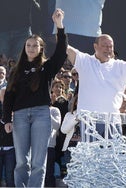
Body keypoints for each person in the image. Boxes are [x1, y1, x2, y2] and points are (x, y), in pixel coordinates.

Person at [1, 9, 67, 187]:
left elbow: (61, 52)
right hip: (20, 116)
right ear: (24, 48)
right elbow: (8, 96)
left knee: (39, 162)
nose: (31, 48)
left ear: (41, 49)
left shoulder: (47, 67)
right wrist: (7, 118)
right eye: (28, 45)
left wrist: (59, 26)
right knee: (22, 161)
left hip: (41, 115)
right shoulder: (16, 70)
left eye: (35, 46)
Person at [66, 34, 126, 138]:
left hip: (113, 122)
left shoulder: (119, 66)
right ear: (95, 46)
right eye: (105, 46)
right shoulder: (85, 61)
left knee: (112, 154)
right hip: (89, 122)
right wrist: (59, 25)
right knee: (92, 154)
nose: (108, 49)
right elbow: (65, 47)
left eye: (111, 46)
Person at [45, 105, 61, 187]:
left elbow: (56, 125)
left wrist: (46, 111)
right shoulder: (34, 109)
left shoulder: (54, 110)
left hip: (49, 146)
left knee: (49, 173)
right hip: (34, 146)